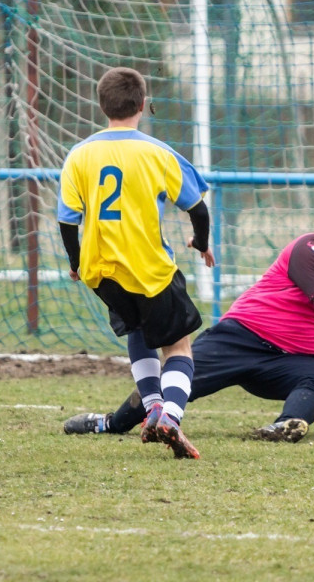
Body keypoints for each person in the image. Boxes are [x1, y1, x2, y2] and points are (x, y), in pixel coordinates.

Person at [64, 199, 314, 443]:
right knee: (171, 385)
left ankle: (286, 427)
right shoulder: (310, 249)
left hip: (286, 362)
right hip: (240, 338)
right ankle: (111, 424)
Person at [58, 66, 215, 459]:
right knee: (178, 348)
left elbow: (66, 220)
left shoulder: (79, 155)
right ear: (143, 105)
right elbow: (198, 209)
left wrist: (76, 262)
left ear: (101, 106)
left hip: (102, 271)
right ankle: (170, 417)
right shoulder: (157, 153)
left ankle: (152, 408)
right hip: (150, 268)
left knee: (138, 333)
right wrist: (201, 242)